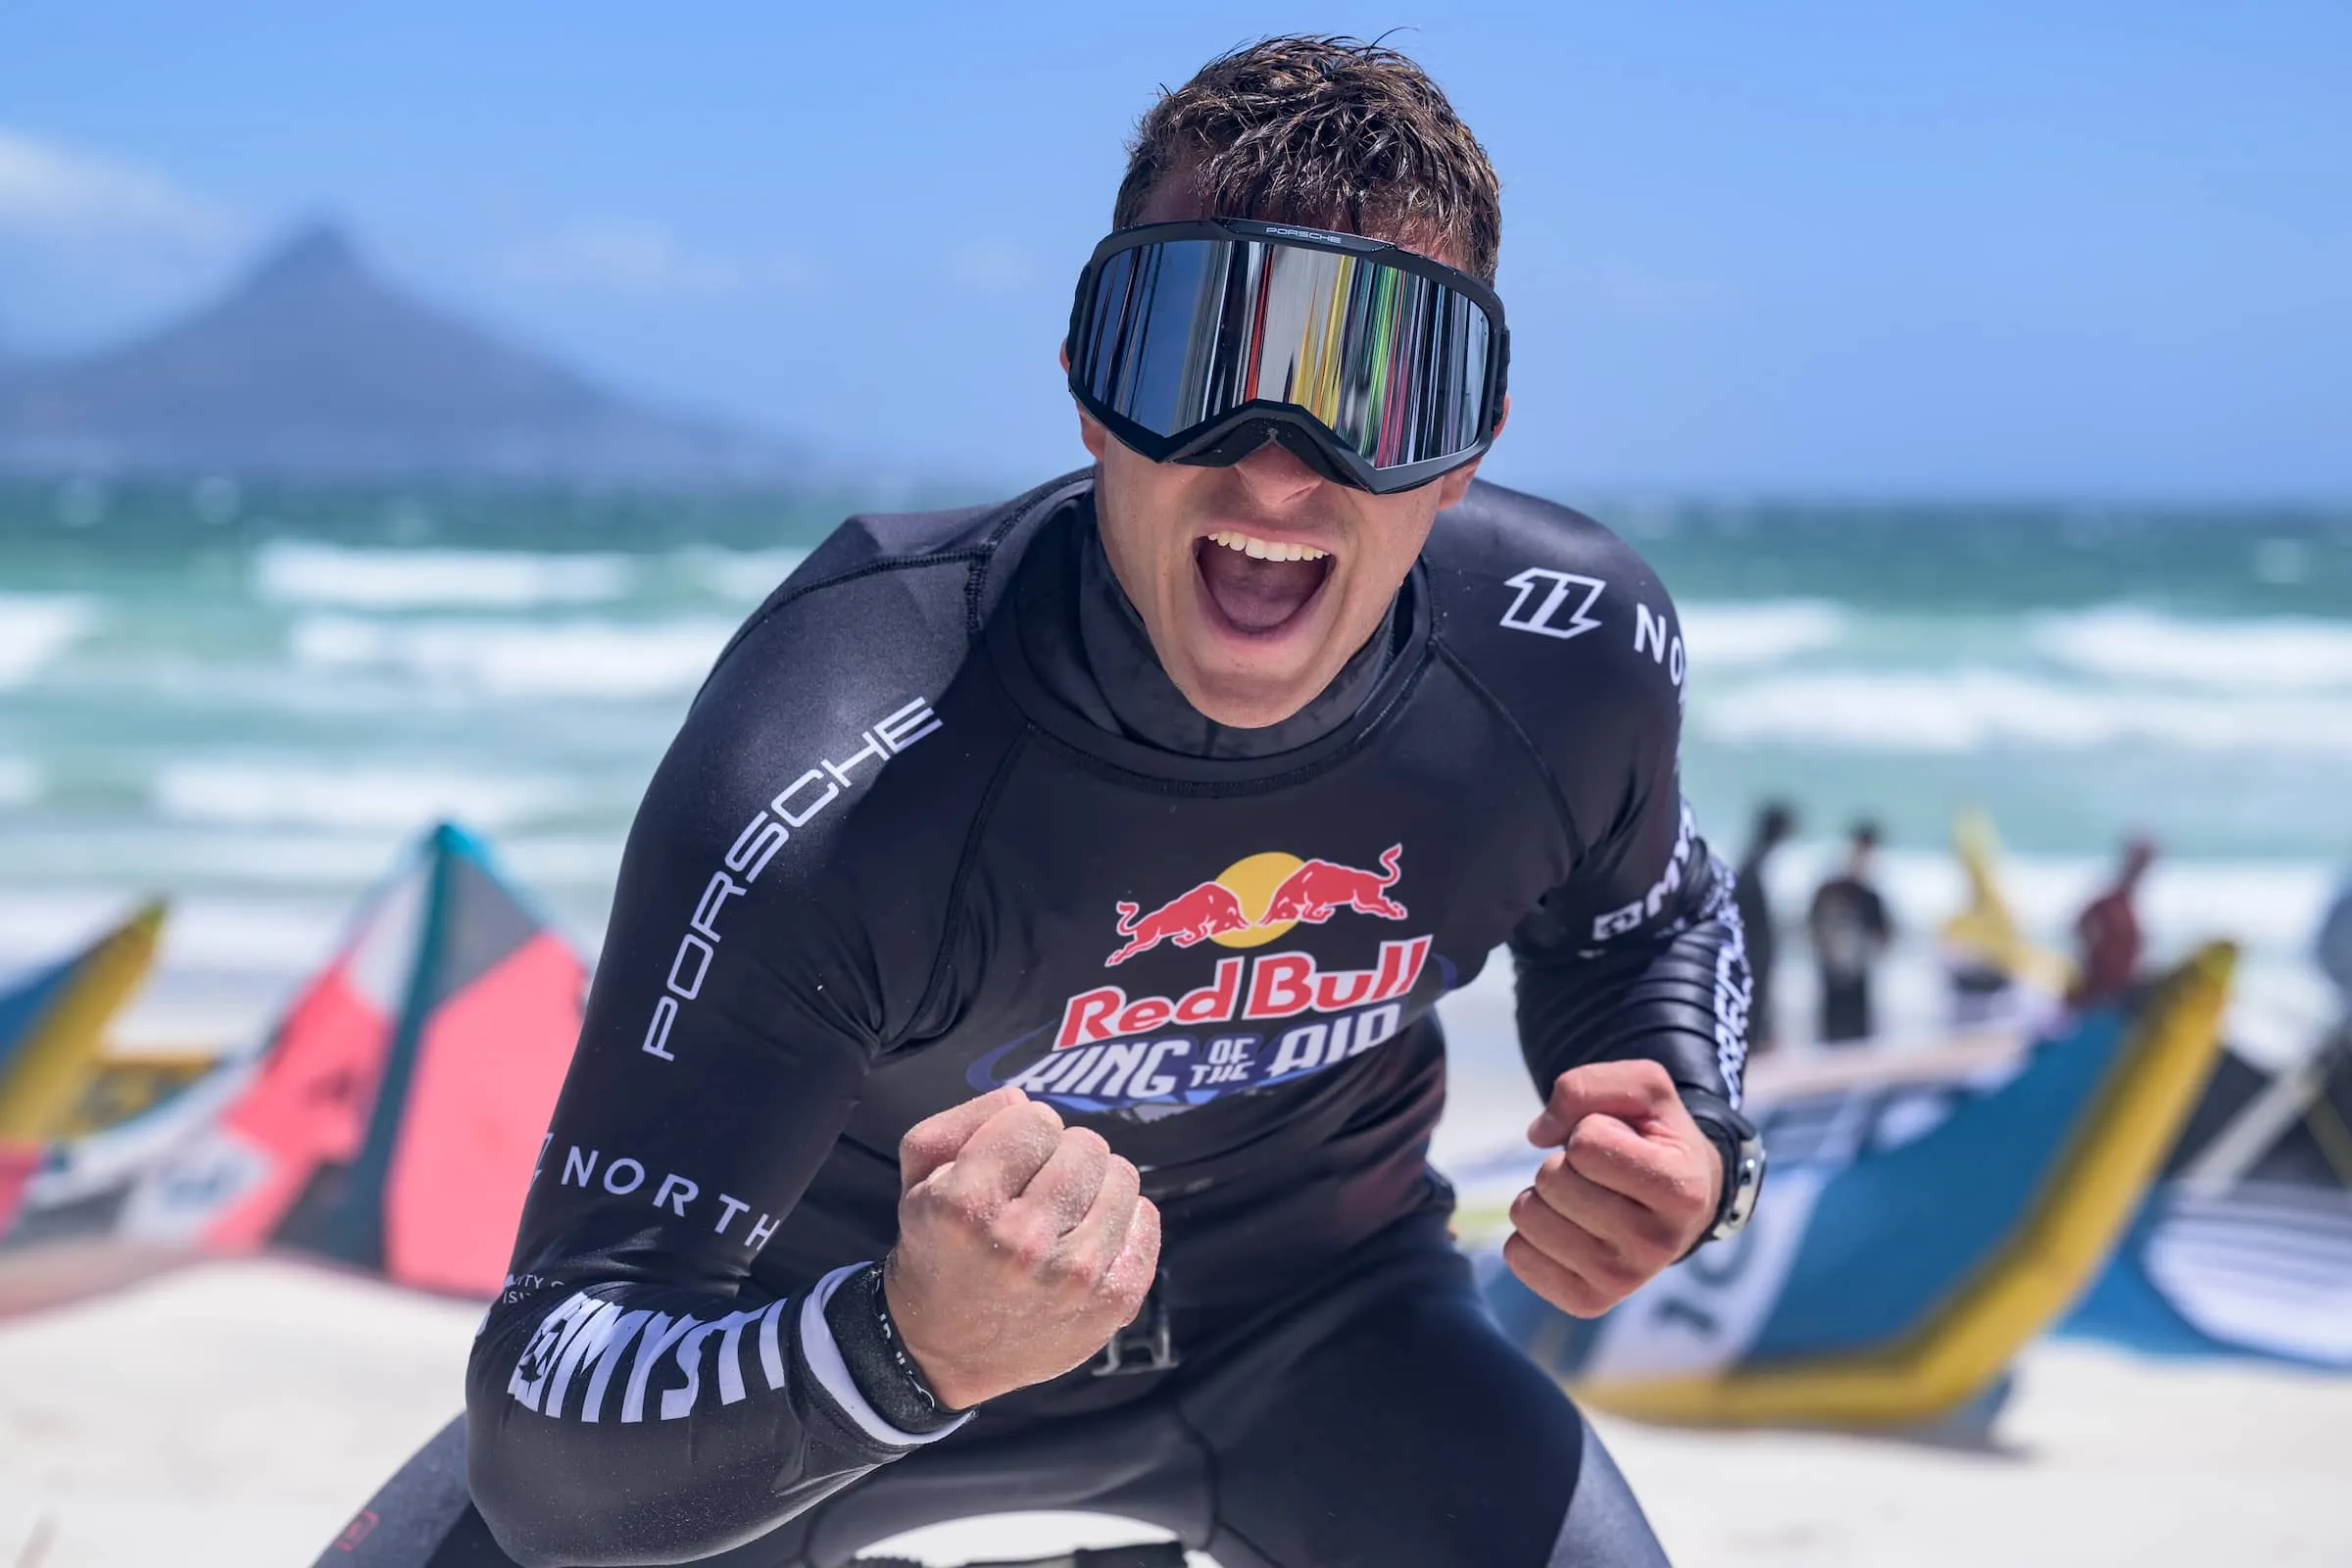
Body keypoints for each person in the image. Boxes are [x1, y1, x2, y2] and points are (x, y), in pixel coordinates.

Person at [329, 38, 1763, 1568]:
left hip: (1324, 1338)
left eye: (1375, 387)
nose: (1277, 473)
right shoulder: (841, 753)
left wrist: (1692, 1146)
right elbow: (549, 1426)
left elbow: (1646, 920)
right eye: (1196, 362)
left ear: (1467, 449)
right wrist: (904, 1344)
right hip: (825, 1335)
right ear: (1090, 390)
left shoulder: (1566, 652)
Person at [1807, 822, 1892, 1044]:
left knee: (1857, 1038)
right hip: (1833, 974)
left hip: (1858, 974)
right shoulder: (1830, 890)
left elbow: (1886, 935)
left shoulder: (1870, 896)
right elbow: (1812, 927)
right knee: (1832, 1036)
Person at [1733, 801, 1796, 1053]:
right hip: (1753, 950)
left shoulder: (1754, 859)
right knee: (1755, 1008)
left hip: (1754, 948)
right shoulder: (1755, 863)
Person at [2070, 835, 2156, 1008]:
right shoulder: (2109, 904)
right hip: (2100, 991)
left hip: (2119, 990)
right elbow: (2079, 927)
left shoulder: (2128, 906)